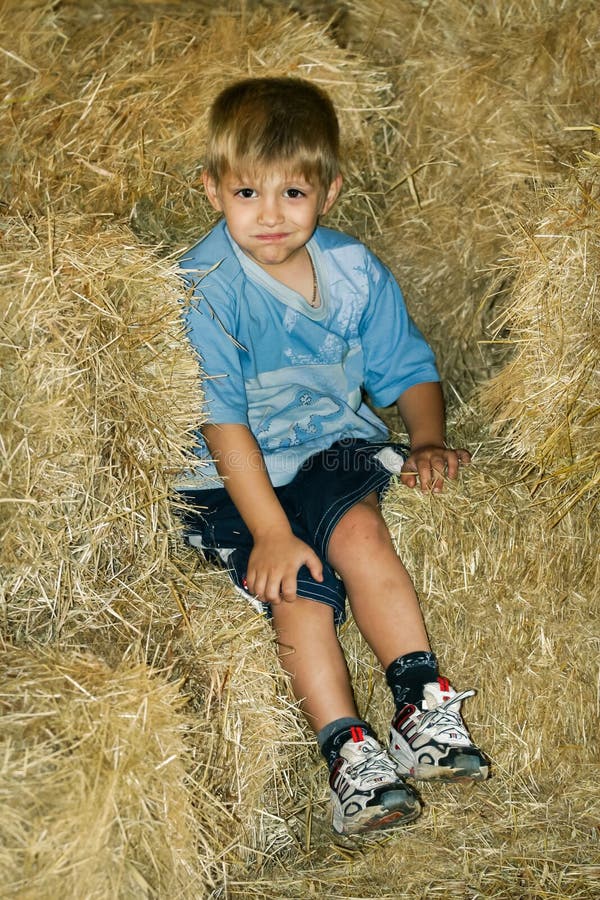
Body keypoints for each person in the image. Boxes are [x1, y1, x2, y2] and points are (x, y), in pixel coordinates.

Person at [176, 76, 489, 837]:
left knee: (360, 535)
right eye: (248, 192)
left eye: (294, 193)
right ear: (212, 190)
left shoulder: (352, 272)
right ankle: (348, 751)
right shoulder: (206, 288)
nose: (272, 215)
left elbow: (407, 368)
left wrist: (426, 439)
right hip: (233, 475)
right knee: (298, 586)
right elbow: (223, 425)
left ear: (330, 190)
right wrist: (274, 533)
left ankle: (419, 706)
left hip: (328, 448)